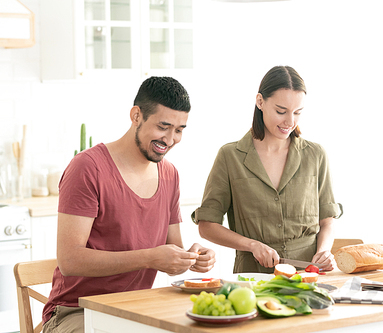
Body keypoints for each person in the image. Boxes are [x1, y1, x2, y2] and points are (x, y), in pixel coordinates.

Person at [42, 76, 216, 333]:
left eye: (179, 130)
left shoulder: (170, 175)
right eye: (163, 127)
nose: (170, 139)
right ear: (136, 116)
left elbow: (172, 250)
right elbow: (70, 260)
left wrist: (192, 257)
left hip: (135, 309)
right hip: (77, 311)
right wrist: (149, 258)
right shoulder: (88, 168)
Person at [191, 66, 342, 274]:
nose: (290, 122)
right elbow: (207, 225)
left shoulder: (315, 155)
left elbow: (327, 220)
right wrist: (252, 245)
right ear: (260, 102)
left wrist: (324, 252)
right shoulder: (230, 156)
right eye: (281, 111)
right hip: (252, 277)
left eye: (297, 112)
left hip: (309, 275)